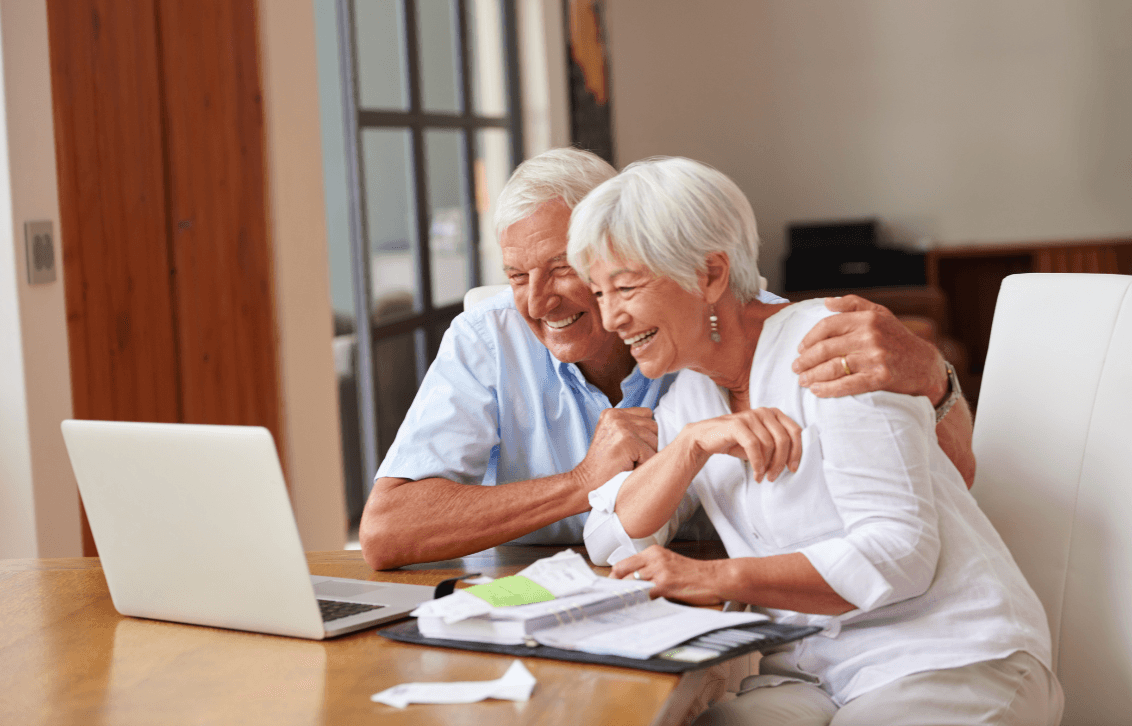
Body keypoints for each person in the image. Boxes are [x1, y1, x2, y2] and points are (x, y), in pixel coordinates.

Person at [571, 157, 1060, 726]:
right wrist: (689, 447)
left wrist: (717, 578)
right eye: (600, 294)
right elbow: (611, 538)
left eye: (626, 287)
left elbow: (899, 555)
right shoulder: (690, 396)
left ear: (710, 275)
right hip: (814, 672)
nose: (611, 319)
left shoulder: (831, 347)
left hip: (948, 656)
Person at [358, 148, 974, 570]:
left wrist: (932, 380)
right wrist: (579, 483)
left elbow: (938, 494)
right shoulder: (487, 338)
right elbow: (387, 531)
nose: (537, 301)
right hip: (538, 608)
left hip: (725, 608)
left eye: (564, 270)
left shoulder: (733, 329)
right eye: (516, 275)